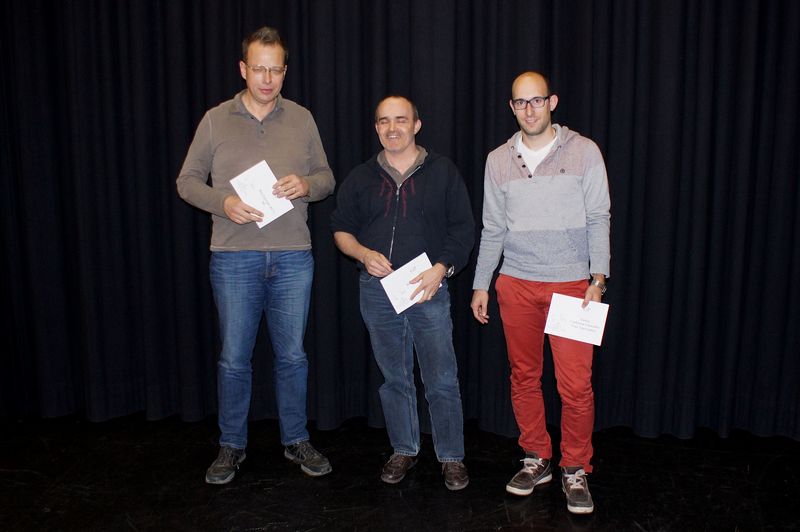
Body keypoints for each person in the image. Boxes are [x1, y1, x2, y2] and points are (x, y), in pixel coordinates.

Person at [176, 26, 335, 485]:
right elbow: (187, 181)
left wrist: (306, 184)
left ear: (285, 71)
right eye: (259, 69)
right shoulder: (215, 119)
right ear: (243, 69)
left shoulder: (302, 118)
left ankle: (295, 438)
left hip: (292, 256)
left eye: (276, 70)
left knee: (293, 357)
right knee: (233, 359)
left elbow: (326, 178)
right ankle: (231, 444)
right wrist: (223, 202)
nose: (267, 79)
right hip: (234, 257)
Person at [470, 71, 610, 514]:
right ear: (511, 108)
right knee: (524, 377)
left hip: (572, 286)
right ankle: (537, 457)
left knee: (576, 386)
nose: (529, 110)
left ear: (552, 102)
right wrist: (481, 283)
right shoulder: (498, 160)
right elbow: (492, 227)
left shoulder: (584, 151)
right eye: (520, 102)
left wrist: (598, 279)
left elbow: (599, 217)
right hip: (516, 283)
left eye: (536, 100)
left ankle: (575, 467)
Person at [330, 96, 474, 491]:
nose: (392, 128)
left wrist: (441, 269)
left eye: (400, 120)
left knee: (441, 378)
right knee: (394, 378)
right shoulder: (361, 176)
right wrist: (362, 254)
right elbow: (340, 228)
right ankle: (404, 448)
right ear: (376, 127)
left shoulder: (443, 172)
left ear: (416, 125)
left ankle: (451, 456)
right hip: (377, 292)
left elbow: (463, 230)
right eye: (383, 121)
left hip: (428, 289)